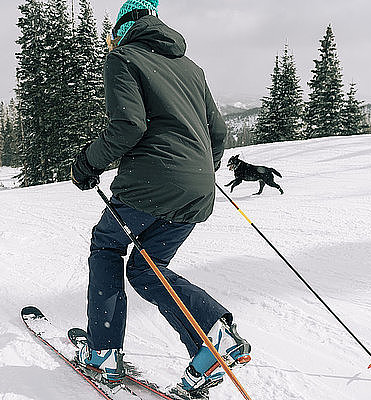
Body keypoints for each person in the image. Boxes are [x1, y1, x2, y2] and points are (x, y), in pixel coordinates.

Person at [70, 0, 251, 396]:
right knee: (147, 268)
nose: (109, 40)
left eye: (111, 33)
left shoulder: (124, 58)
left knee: (106, 247)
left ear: (123, 27)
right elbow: (218, 134)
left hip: (148, 184)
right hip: (197, 191)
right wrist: (199, 170)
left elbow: (128, 126)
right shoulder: (192, 68)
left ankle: (102, 351)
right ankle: (212, 339)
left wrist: (86, 163)